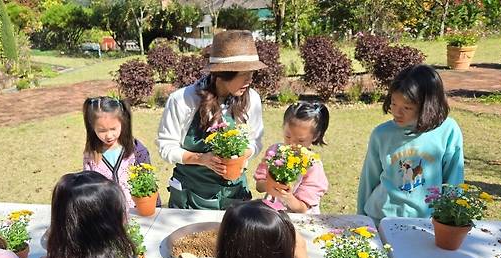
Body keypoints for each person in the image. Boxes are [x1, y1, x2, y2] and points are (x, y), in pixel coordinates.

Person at [156, 30, 265, 210]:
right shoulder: (183, 100)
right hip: (191, 198)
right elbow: (166, 147)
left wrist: (241, 155)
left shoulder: (252, 99)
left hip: (234, 196)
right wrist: (201, 159)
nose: (249, 81)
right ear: (223, 73)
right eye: (243, 74)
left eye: (251, 73)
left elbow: (256, 141)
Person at [357, 64, 464, 222]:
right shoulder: (381, 134)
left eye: (407, 107)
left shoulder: (448, 130)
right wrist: (361, 219)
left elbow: (454, 180)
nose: (396, 113)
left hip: (427, 222)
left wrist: (451, 219)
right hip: (381, 217)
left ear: (428, 106)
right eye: (393, 103)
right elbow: (368, 179)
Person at [82, 96, 159, 208]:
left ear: (123, 123)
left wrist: (154, 208)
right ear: (92, 128)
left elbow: (149, 185)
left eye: (113, 129)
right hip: (106, 214)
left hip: (135, 213)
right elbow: (88, 189)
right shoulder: (90, 155)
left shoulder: (136, 150)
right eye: (102, 131)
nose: (108, 136)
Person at [254, 102, 330, 213]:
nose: (292, 144)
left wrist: (287, 197)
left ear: (315, 136)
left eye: (301, 140)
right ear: (283, 127)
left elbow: (303, 208)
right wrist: (268, 185)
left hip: (300, 221)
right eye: (288, 136)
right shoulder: (274, 152)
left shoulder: (313, 165)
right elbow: (259, 186)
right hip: (273, 215)